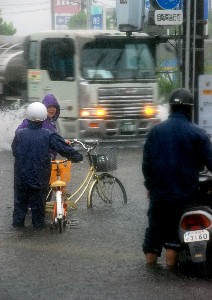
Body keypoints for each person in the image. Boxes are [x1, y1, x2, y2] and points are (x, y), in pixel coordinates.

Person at [142, 88, 212, 268]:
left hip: (159, 194)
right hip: (185, 196)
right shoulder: (197, 133)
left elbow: (146, 164)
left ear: (171, 108)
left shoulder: (155, 132)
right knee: (174, 238)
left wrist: (150, 186)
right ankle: (171, 276)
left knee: (154, 235)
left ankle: (151, 273)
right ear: (190, 109)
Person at [12, 102, 83, 229]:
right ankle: (38, 232)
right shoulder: (48, 134)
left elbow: (15, 151)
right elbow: (64, 148)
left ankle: (18, 229)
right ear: (44, 116)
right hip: (39, 176)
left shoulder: (20, 134)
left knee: (20, 204)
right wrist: (77, 157)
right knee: (38, 206)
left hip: (20, 177)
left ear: (28, 116)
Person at [16, 94, 69, 159]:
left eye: (54, 107)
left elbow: (53, 138)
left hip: (48, 161)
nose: (52, 109)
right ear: (43, 108)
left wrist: (62, 142)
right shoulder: (34, 119)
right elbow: (18, 133)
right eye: (49, 107)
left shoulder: (52, 123)